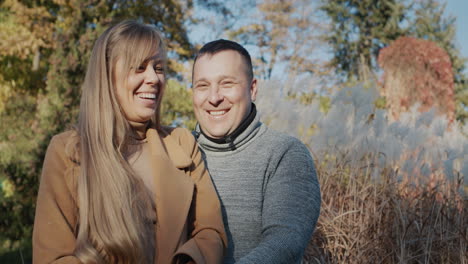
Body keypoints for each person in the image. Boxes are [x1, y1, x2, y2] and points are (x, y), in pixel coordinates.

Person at [33, 20, 226, 264]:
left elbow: (210, 232)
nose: (153, 79)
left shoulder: (181, 143)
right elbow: (53, 257)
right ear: (106, 75)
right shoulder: (67, 151)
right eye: (139, 67)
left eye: (158, 68)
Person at [191, 39, 321, 264]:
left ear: (252, 89)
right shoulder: (178, 151)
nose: (214, 98)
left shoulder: (285, 154)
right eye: (203, 86)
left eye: (227, 84)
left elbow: (284, 242)